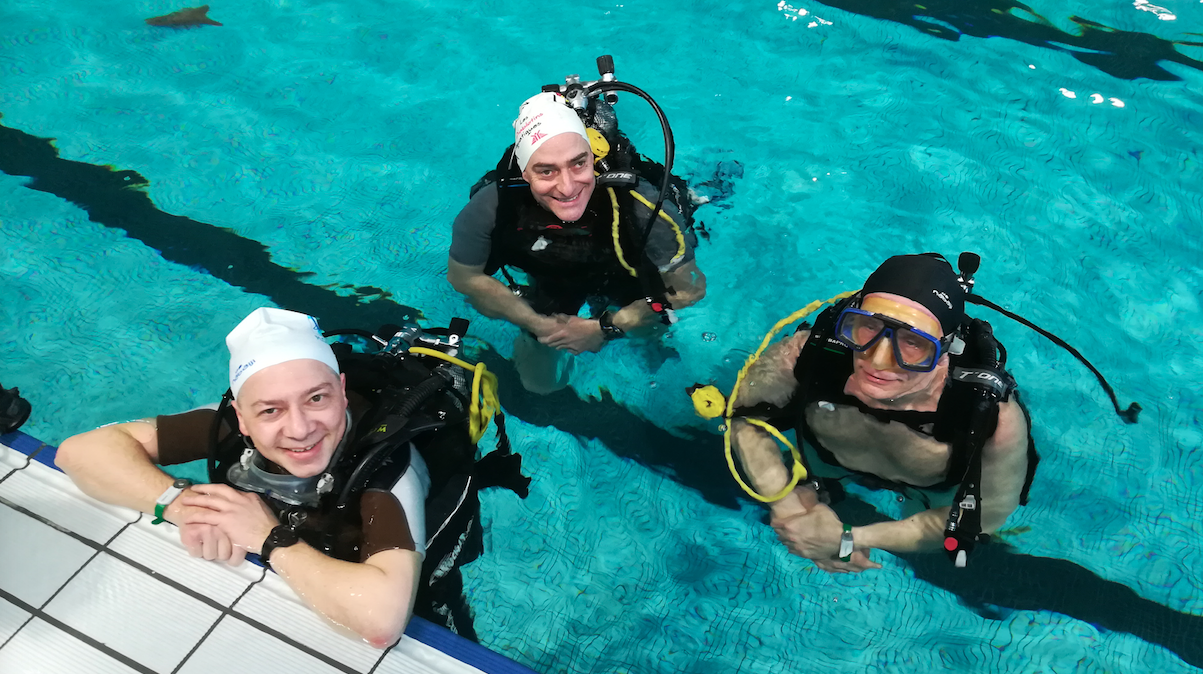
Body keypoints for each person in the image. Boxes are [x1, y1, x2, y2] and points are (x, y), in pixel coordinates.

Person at [56, 307, 528, 645]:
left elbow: (381, 622)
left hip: (404, 559)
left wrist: (268, 538)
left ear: (341, 389)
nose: (300, 429)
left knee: (436, 613)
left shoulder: (391, 469)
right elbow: (80, 453)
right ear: (241, 417)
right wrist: (183, 506)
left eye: (317, 398)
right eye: (271, 410)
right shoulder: (228, 425)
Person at [727, 253, 1038, 572]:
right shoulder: (805, 355)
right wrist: (785, 503)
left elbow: (987, 515)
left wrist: (850, 538)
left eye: (913, 342)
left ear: (945, 352)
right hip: (820, 470)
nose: (878, 359)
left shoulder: (990, 418)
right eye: (868, 327)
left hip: (924, 498)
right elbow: (743, 419)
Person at [447, 91, 707, 394]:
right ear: (524, 172)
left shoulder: (640, 205)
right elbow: (463, 277)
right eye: (547, 170)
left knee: (651, 340)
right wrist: (538, 324)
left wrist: (610, 326)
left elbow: (690, 287)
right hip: (553, 274)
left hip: (625, 273)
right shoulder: (493, 205)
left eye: (578, 164)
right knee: (537, 384)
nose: (568, 187)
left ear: (592, 158)